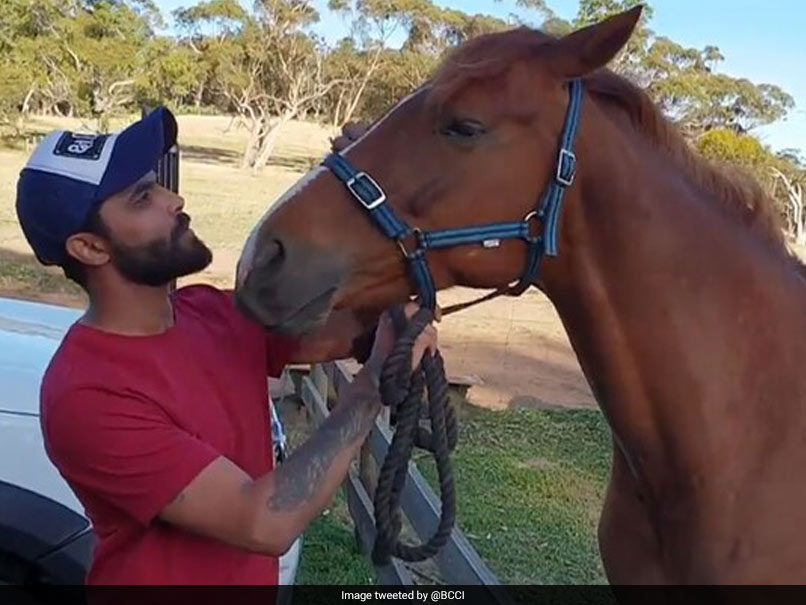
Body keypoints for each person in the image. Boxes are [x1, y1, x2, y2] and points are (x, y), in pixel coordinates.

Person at [14, 106, 438, 585]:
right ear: (90, 248)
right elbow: (263, 521)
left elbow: (349, 330)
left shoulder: (207, 311)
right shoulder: (88, 394)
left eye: (159, 184)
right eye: (142, 198)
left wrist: (363, 181)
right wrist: (370, 388)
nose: (173, 200)